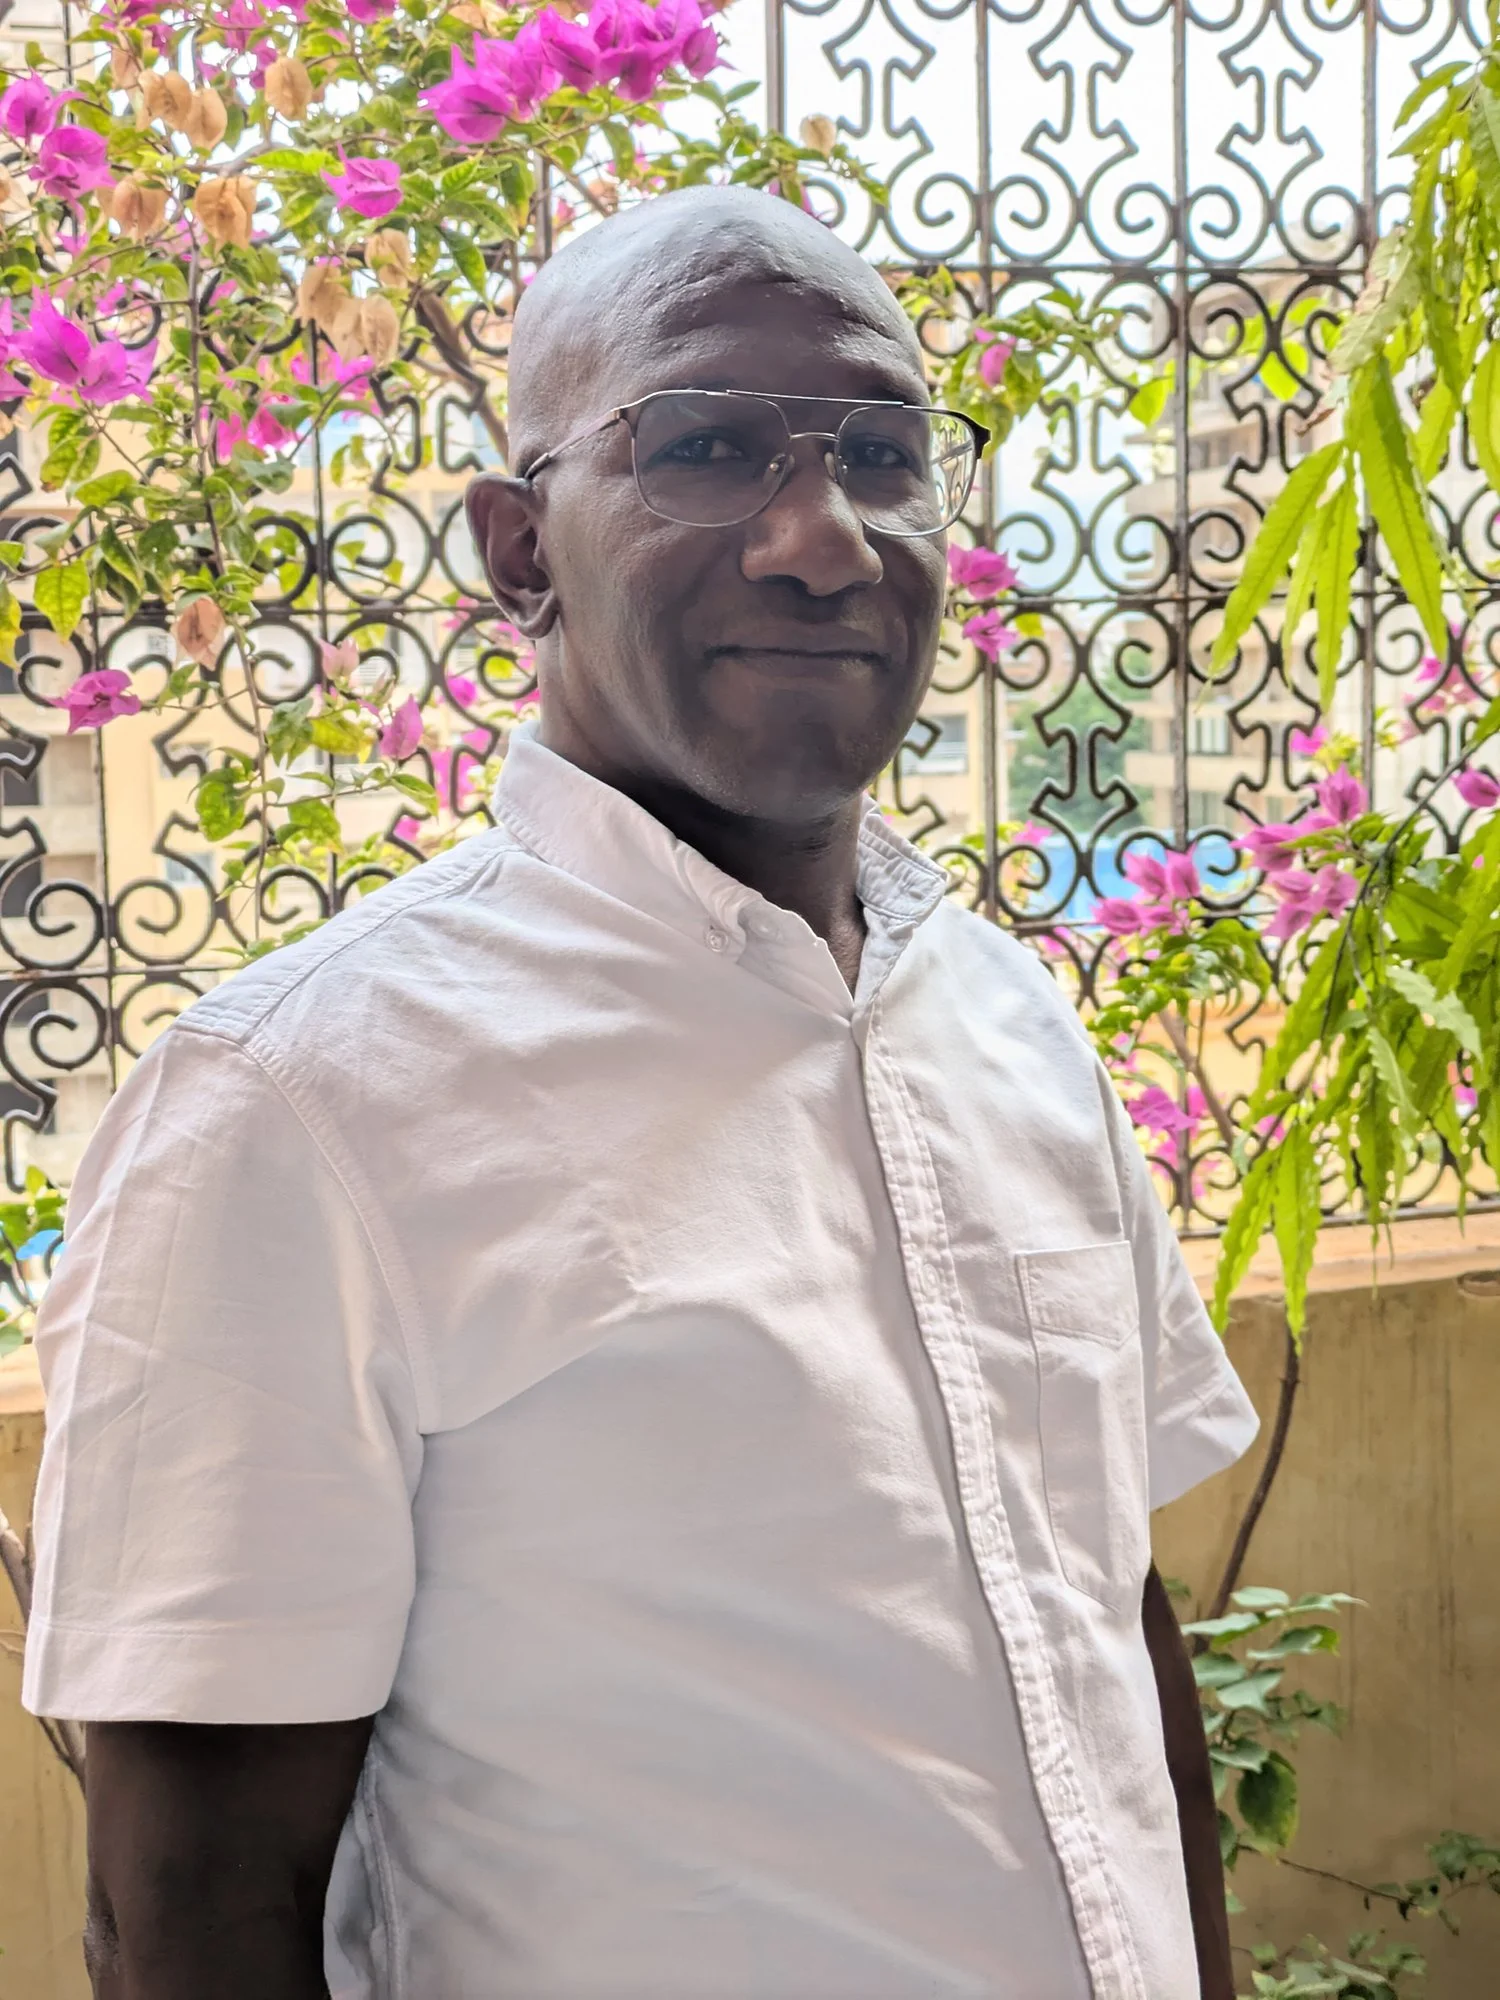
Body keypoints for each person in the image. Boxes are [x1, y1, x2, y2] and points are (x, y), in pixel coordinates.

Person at [23, 185, 1258, 2000]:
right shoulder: (296, 1108)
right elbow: (191, 1912)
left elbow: (1108, 1642)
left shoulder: (1005, 1021)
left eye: (882, 455)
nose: (821, 537)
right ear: (522, 554)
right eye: (702, 448)